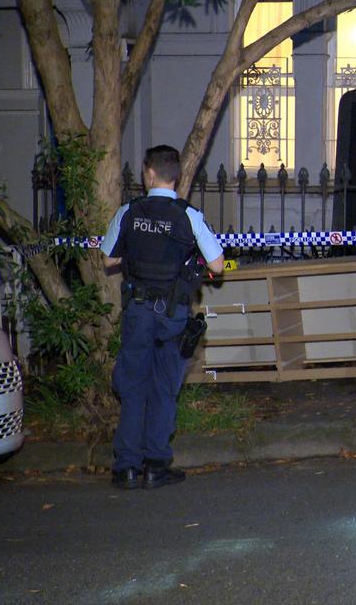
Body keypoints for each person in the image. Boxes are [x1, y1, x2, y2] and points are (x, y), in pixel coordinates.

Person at [101, 145, 224, 490]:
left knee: (133, 386)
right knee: (164, 389)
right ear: (176, 176)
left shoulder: (129, 211)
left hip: (138, 312)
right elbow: (216, 264)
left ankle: (126, 467)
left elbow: (109, 260)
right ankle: (156, 465)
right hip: (172, 315)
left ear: (148, 174)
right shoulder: (188, 215)